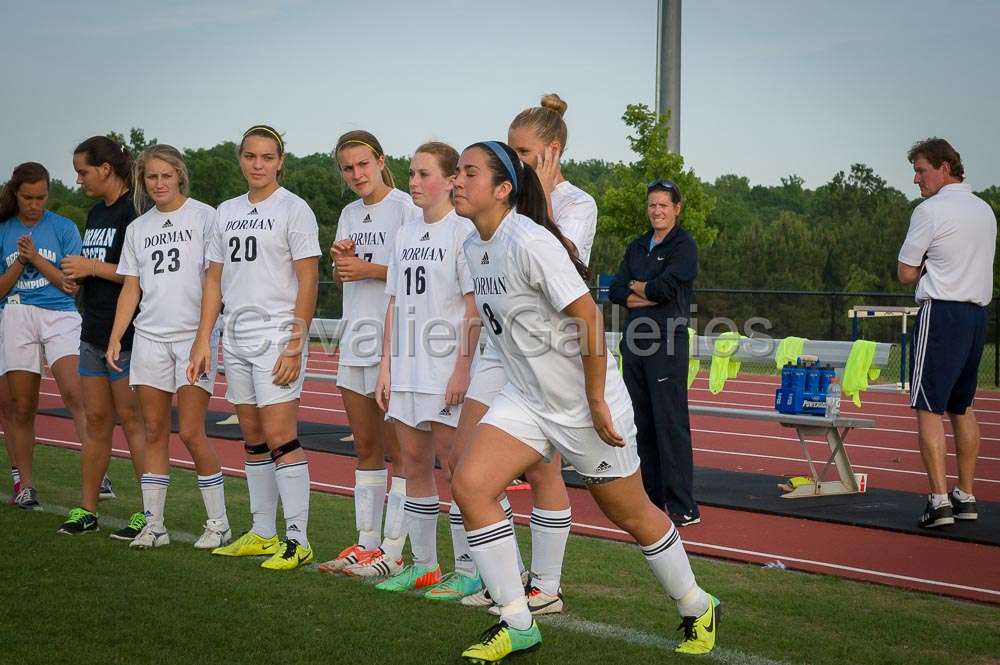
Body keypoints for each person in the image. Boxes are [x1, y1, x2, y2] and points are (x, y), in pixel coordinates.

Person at [450, 141, 719, 662]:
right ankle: (516, 620)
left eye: (468, 173)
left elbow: (589, 317)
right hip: (527, 398)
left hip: (583, 402)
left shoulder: (530, 242)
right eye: (457, 172)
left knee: (632, 513)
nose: (456, 181)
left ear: (503, 189)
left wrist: (595, 397)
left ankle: (697, 604)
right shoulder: (471, 246)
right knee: (469, 484)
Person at [454, 93, 601, 613]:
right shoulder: (499, 194)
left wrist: (534, 195)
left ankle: (547, 586)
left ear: (552, 151)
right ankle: (504, 580)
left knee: (543, 470)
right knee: (464, 463)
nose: (515, 161)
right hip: (500, 349)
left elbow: (565, 265)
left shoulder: (577, 203)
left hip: (545, 352)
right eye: (510, 151)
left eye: (524, 152)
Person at [189, 124, 320, 570]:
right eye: (250, 156)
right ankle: (263, 531)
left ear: (280, 161)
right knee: (252, 437)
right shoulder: (225, 211)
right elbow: (213, 279)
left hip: (277, 335)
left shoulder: (294, 209)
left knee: (282, 437)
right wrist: (204, 339)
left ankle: (298, 538)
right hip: (236, 336)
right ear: (240, 159)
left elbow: (308, 278)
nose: (259, 165)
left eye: (267, 157)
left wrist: (295, 344)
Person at [101, 145, 230, 548]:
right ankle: (154, 525)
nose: (158, 183)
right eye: (151, 177)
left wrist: (202, 338)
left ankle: (219, 523)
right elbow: (131, 288)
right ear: (143, 181)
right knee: (154, 430)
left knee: (191, 432)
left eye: (165, 176)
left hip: (193, 337)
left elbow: (215, 280)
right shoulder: (138, 228)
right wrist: (116, 334)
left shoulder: (206, 216)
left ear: (179, 176)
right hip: (150, 338)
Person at [372, 142, 479, 594]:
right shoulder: (404, 233)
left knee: (458, 470)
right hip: (407, 369)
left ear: (452, 178)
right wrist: (385, 367)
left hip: (445, 369)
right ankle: (425, 565)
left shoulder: (464, 233)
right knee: (412, 465)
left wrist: (461, 369)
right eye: (411, 174)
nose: (413, 182)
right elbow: (393, 303)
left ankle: (470, 570)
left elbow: (473, 307)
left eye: (423, 174)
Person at [318, 130, 415, 578]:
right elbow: (345, 278)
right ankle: (366, 543)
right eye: (347, 167)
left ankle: (395, 550)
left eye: (363, 164)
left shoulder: (406, 208)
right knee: (365, 446)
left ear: (380, 160)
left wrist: (369, 268)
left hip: (393, 342)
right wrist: (343, 262)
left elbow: (418, 274)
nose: (356, 174)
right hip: (355, 336)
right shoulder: (348, 213)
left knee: (400, 451)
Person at [897, 137, 996, 529]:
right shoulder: (985, 210)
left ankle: (938, 501)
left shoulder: (930, 210)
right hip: (976, 316)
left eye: (921, 170)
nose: (916, 179)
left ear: (944, 167)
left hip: (941, 314)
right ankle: (966, 495)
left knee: (928, 406)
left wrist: (925, 266)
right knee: (963, 407)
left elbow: (905, 271)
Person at [59, 137, 149, 539]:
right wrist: (76, 277)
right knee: (96, 422)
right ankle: (88, 509)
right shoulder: (96, 212)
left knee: (133, 422)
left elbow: (138, 275)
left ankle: (150, 511)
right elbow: (96, 271)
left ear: (106, 169)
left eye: (83, 171)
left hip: (127, 334)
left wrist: (92, 266)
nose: (79, 180)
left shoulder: (137, 211)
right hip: (92, 330)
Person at [608, 179, 699, 525]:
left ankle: (682, 506)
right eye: (652, 205)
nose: (657, 211)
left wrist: (642, 288)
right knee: (640, 423)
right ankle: (650, 500)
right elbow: (615, 289)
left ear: (677, 208)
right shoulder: (637, 246)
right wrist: (641, 290)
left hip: (666, 342)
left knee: (669, 423)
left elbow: (664, 289)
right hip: (634, 343)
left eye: (663, 205)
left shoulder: (683, 246)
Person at [0, 162, 89, 511]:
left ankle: (95, 470)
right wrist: (20, 264)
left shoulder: (64, 228)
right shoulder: (4, 229)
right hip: (16, 313)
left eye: (40, 197)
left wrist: (34, 257)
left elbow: (70, 286)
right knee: (22, 406)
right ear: (16, 194)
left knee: (76, 394)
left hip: (60, 314)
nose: (34, 204)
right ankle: (25, 483)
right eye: (27, 197)